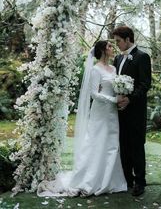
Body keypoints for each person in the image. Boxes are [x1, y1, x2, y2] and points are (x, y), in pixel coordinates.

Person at [37, 41, 127, 197]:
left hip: (112, 113)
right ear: (103, 50)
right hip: (100, 112)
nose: (113, 48)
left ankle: (109, 180)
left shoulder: (113, 68)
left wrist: (121, 95)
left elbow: (114, 87)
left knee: (111, 144)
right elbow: (94, 94)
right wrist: (113, 100)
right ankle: (89, 179)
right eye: (110, 46)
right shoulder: (95, 70)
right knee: (95, 142)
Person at [113, 26, 152, 197]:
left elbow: (145, 84)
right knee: (124, 145)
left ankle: (140, 182)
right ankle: (127, 179)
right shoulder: (117, 58)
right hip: (119, 110)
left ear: (128, 39)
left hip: (135, 110)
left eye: (118, 41)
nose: (117, 45)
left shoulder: (142, 57)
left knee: (136, 146)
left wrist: (130, 99)